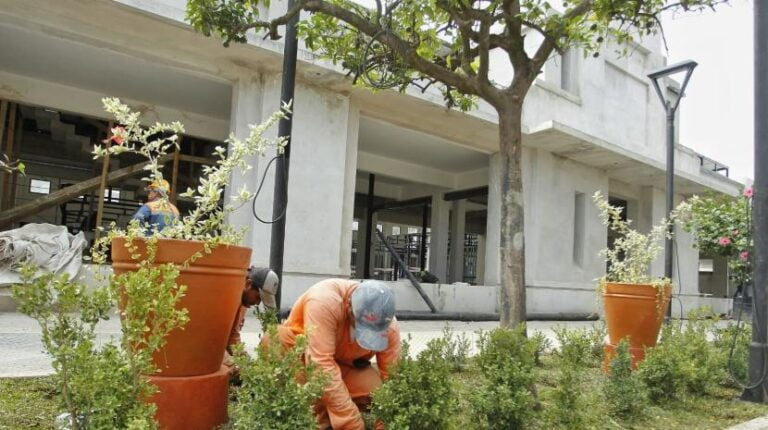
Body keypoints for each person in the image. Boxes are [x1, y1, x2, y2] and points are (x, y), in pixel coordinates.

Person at [270, 279, 400, 430]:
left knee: (377, 393)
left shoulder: (388, 325)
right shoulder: (324, 301)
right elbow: (320, 365)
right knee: (275, 339)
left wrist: (387, 424)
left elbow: (392, 380)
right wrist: (352, 424)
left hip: (344, 365)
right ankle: (313, 418)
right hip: (306, 361)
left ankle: (333, 410)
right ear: (349, 308)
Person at [225, 266, 279, 375]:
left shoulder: (242, 300)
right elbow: (213, 344)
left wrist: (247, 362)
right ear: (248, 284)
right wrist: (234, 366)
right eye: (258, 297)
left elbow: (233, 337)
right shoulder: (225, 295)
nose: (257, 303)